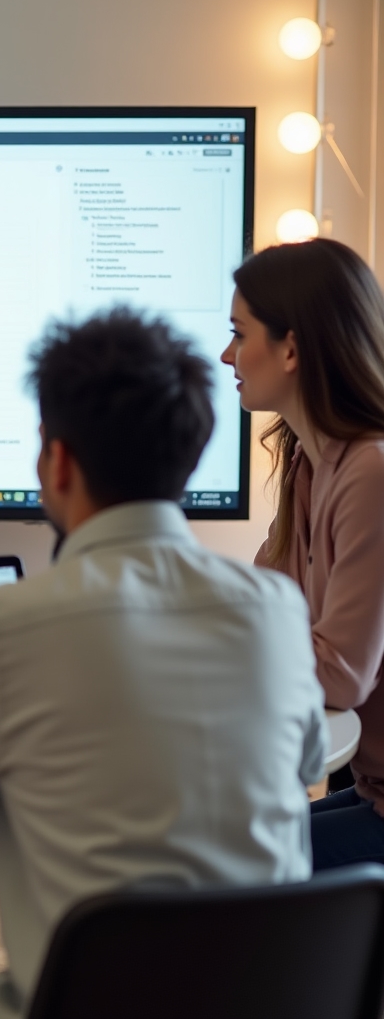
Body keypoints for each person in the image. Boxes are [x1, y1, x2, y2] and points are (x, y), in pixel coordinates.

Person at [0, 308, 327, 1019]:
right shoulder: (276, 607)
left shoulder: (8, 626)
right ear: (190, 455)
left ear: (57, 462)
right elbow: (306, 758)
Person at [221, 238, 384, 870]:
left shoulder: (370, 470)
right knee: (220, 849)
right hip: (370, 788)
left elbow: (340, 672)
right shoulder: (309, 461)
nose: (226, 354)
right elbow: (261, 602)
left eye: (240, 333)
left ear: (291, 347)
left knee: (223, 867)